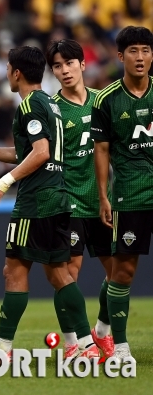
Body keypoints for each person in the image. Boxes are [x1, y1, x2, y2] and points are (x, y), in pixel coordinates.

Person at [0, 46, 99, 362]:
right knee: (59, 274)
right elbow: (27, 152)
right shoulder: (50, 104)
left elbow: (41, 153)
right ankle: (87, 345)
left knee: (14, 271)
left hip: (35, 202)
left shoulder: (30, 105)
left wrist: (4, 181)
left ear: (16, 73)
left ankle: (2, 348)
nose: (6, 73)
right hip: (58, 197)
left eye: (7, 68)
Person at [46, 38, 115, 359]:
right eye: (57, 66)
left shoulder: (103, 102)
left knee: (118, 273)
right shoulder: (53, 110)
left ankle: (102, 330)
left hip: (103, 201)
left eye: (69, 63)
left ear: (82, 65)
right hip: (69, 202)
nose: (64, 70)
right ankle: (73, 342)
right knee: (68, 273)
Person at [92, 26, 153, 362]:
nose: (140, 57)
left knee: (119, 272)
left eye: (145, 50)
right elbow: (101, 151)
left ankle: (101, 328)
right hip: (130, 195)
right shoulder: (106, 100)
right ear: (120, 56)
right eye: (133, 51)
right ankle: (121, 346)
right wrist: (103, 196)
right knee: (123, 271)